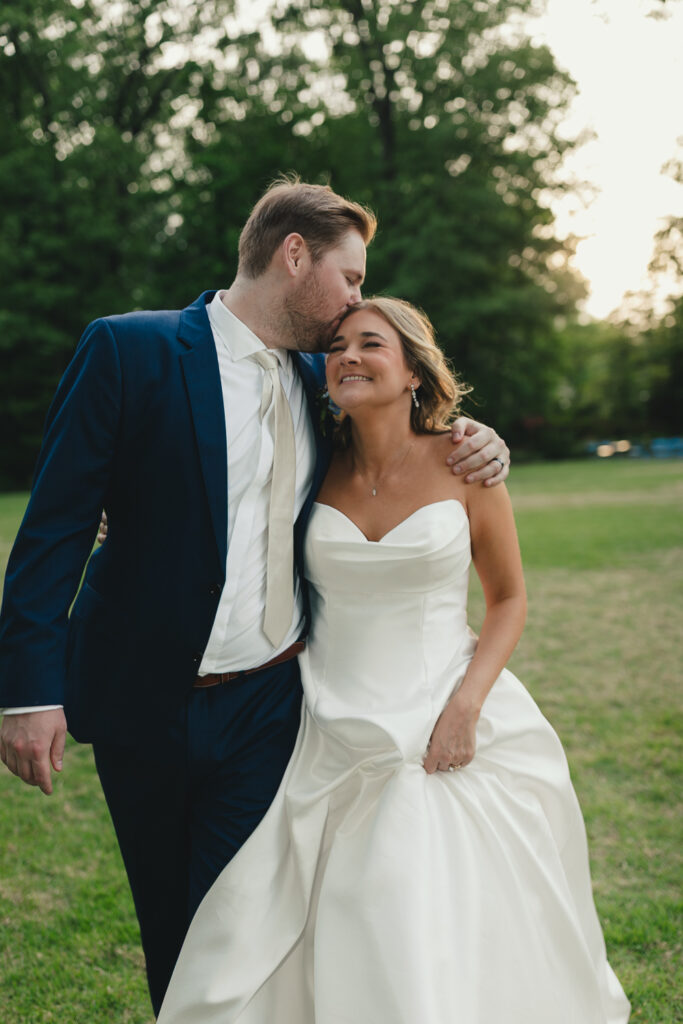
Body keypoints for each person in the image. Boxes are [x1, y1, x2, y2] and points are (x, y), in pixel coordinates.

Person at [0, 179, 511, 1015]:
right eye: (349, 277)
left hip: (272, 706)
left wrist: (474, 438)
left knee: (250, 924)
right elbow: (55, 528)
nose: (354, 300)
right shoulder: (129, 351)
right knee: (177, 929)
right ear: (294, 255)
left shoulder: (327, 376)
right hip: (144, 704)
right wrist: (27, 690)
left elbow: (406, 427)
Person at [156, 297, 630, 1024]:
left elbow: (506, 600)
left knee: (408, 891)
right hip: (322, 714)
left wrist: (464, 707)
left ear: (413, 370)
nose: (347, 356)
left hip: (440, 706)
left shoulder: (467, 464)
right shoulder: (310, 460)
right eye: (337, 345)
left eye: (370, 344)